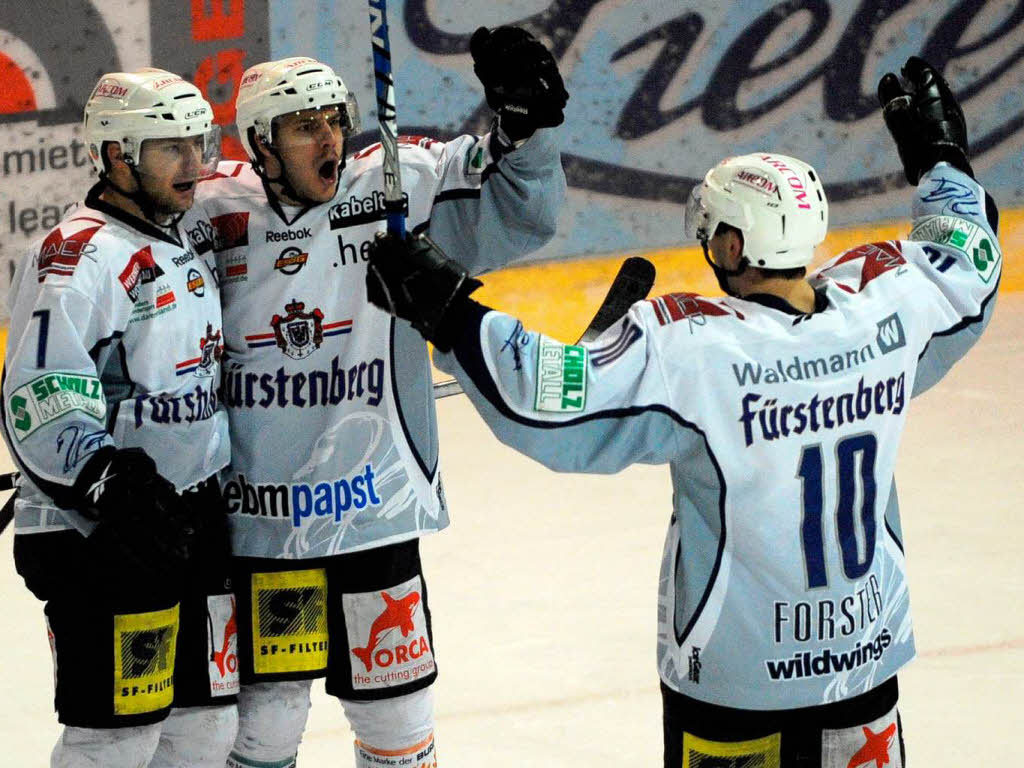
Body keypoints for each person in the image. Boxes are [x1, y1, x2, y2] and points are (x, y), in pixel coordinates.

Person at [364, 57, 1001, 767]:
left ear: (732, 244)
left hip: (735, 681)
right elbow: (968, 253)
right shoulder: (886, 310)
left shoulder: (695, 350)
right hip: (864, 660)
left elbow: (547, 400)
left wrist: (448, 309)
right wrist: (941, 159)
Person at [183, 26, 567, 768]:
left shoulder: (396, 183)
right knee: (266, 726)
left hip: (373, 506)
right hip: (262, 521)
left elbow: (519, 206)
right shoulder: (210, 211)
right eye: (304, 127)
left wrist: (527, 126)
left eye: (335, 119)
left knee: (397, 719)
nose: (329, 136)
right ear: (260, 142)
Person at [0, 69, 238, 767]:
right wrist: (108, 479)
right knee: (117, 742)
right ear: (115, 155)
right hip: (99, 532)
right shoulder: (80, 257)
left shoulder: (183, 233)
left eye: (199, 141)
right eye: (171, 147)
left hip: (184, 520)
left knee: (204, 732)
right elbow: (39, 394)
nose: (195, 164)